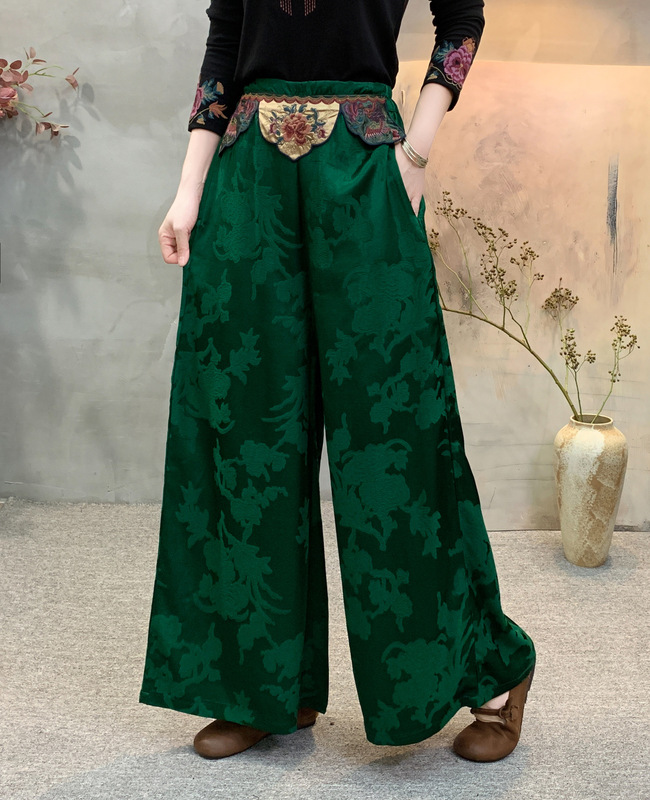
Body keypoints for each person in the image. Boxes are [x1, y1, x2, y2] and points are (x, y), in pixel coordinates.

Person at [138, 0, 537, 763]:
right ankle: (260, 686)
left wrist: (414, 156)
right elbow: (227, 40)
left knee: (394, 439)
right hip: (247, 177)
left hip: (364, 166)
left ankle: (488, 673)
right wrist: (189, 190)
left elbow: (461, 18)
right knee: (245, 436)